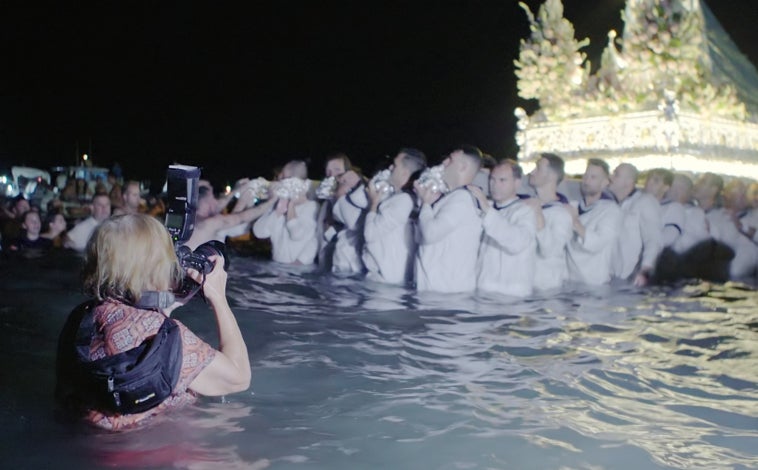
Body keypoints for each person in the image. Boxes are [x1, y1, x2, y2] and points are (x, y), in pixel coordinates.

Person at [55, 214, 251, 430]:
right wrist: (219, 298)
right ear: (153, 265)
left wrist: (166, 304)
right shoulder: (164, 334)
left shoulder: (83, 316)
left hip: (89, 443)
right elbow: (239, 377)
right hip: (155, 452)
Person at [414, 145, 483, 293]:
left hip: (446, 295)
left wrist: (425, 204)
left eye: (450, 159)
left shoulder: (461, 199)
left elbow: (430, 234)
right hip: (440, 292)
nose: (444, 163)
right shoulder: (453, 197)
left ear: (463, 167)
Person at [470, 160, 537, 297]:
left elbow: (517, 243)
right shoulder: (488, 208)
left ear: (517, 183)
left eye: (502, 180)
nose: (495, 185)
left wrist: (487, 210)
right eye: (492, 180)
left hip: (511, 295)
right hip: (484, 292)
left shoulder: (525, 212)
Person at [363, 148, 426, 285]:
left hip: (386, 281)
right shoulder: (406, 199)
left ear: (404, 173)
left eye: (395, 165)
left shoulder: (403, 201)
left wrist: (373, 204)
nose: (390, 167)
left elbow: (370, 234)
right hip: (388, 278)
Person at [565, 159, 621, 285]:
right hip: (570, 282)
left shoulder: (611, 211)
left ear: (604, 183)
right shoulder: (574, 206)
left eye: (593, 177)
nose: (586, 180)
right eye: (585, 176)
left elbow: (598, 243)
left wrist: (575, 222)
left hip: (594, 284)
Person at [252, 161, 319, 264]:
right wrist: (277, 212)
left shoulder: (312, 207)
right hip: (277, 269)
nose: (281, 183)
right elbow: (259, 233)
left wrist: (291, 205)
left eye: (285, 179)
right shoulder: (278, 205)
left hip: (300, 273)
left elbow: (297, 234)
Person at [608, 163, 663, 285]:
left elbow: (654, 239)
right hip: (612, 280)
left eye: (616, 174)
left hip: (632, 282)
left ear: (629, 182)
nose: (610, 177)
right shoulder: (611, 205)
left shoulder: (645, 202)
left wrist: (645, 271)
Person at [526, 153, 573, 291]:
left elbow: (551, 250)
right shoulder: (527, 205)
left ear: (552, 176)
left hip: (546, 288)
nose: (531, 172)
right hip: (525, 282)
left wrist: (539, 215)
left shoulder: (562, 213)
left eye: (538, 168)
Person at [184, 184, 275, 251]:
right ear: (206, 202)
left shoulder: (189, 219)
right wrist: (272, 200)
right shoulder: (210, 223)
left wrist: (236, 190)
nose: (216, 202)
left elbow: (220, 204)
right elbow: (243, 217)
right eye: (213, 198)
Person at [317, 153, 352, 270]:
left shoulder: (354, 202)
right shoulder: (325, 202)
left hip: (346, 268)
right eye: (328, 171)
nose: (332, 175)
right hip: (323, 264)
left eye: (337, 170)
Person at [331, 169, 369, 274]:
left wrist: (341, 196)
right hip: (342, 258)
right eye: (341, 182)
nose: (342, 184)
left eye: (345, 181)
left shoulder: (362, 198)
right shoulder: (346, 199)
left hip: (354, 262)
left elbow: (352, 222)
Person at [644, 168, 685, 249]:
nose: (649, 183)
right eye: (648, 179)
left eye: (656, 181)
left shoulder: (674, 208)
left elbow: (669, 237)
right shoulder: (635, 202)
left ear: (665, 187)